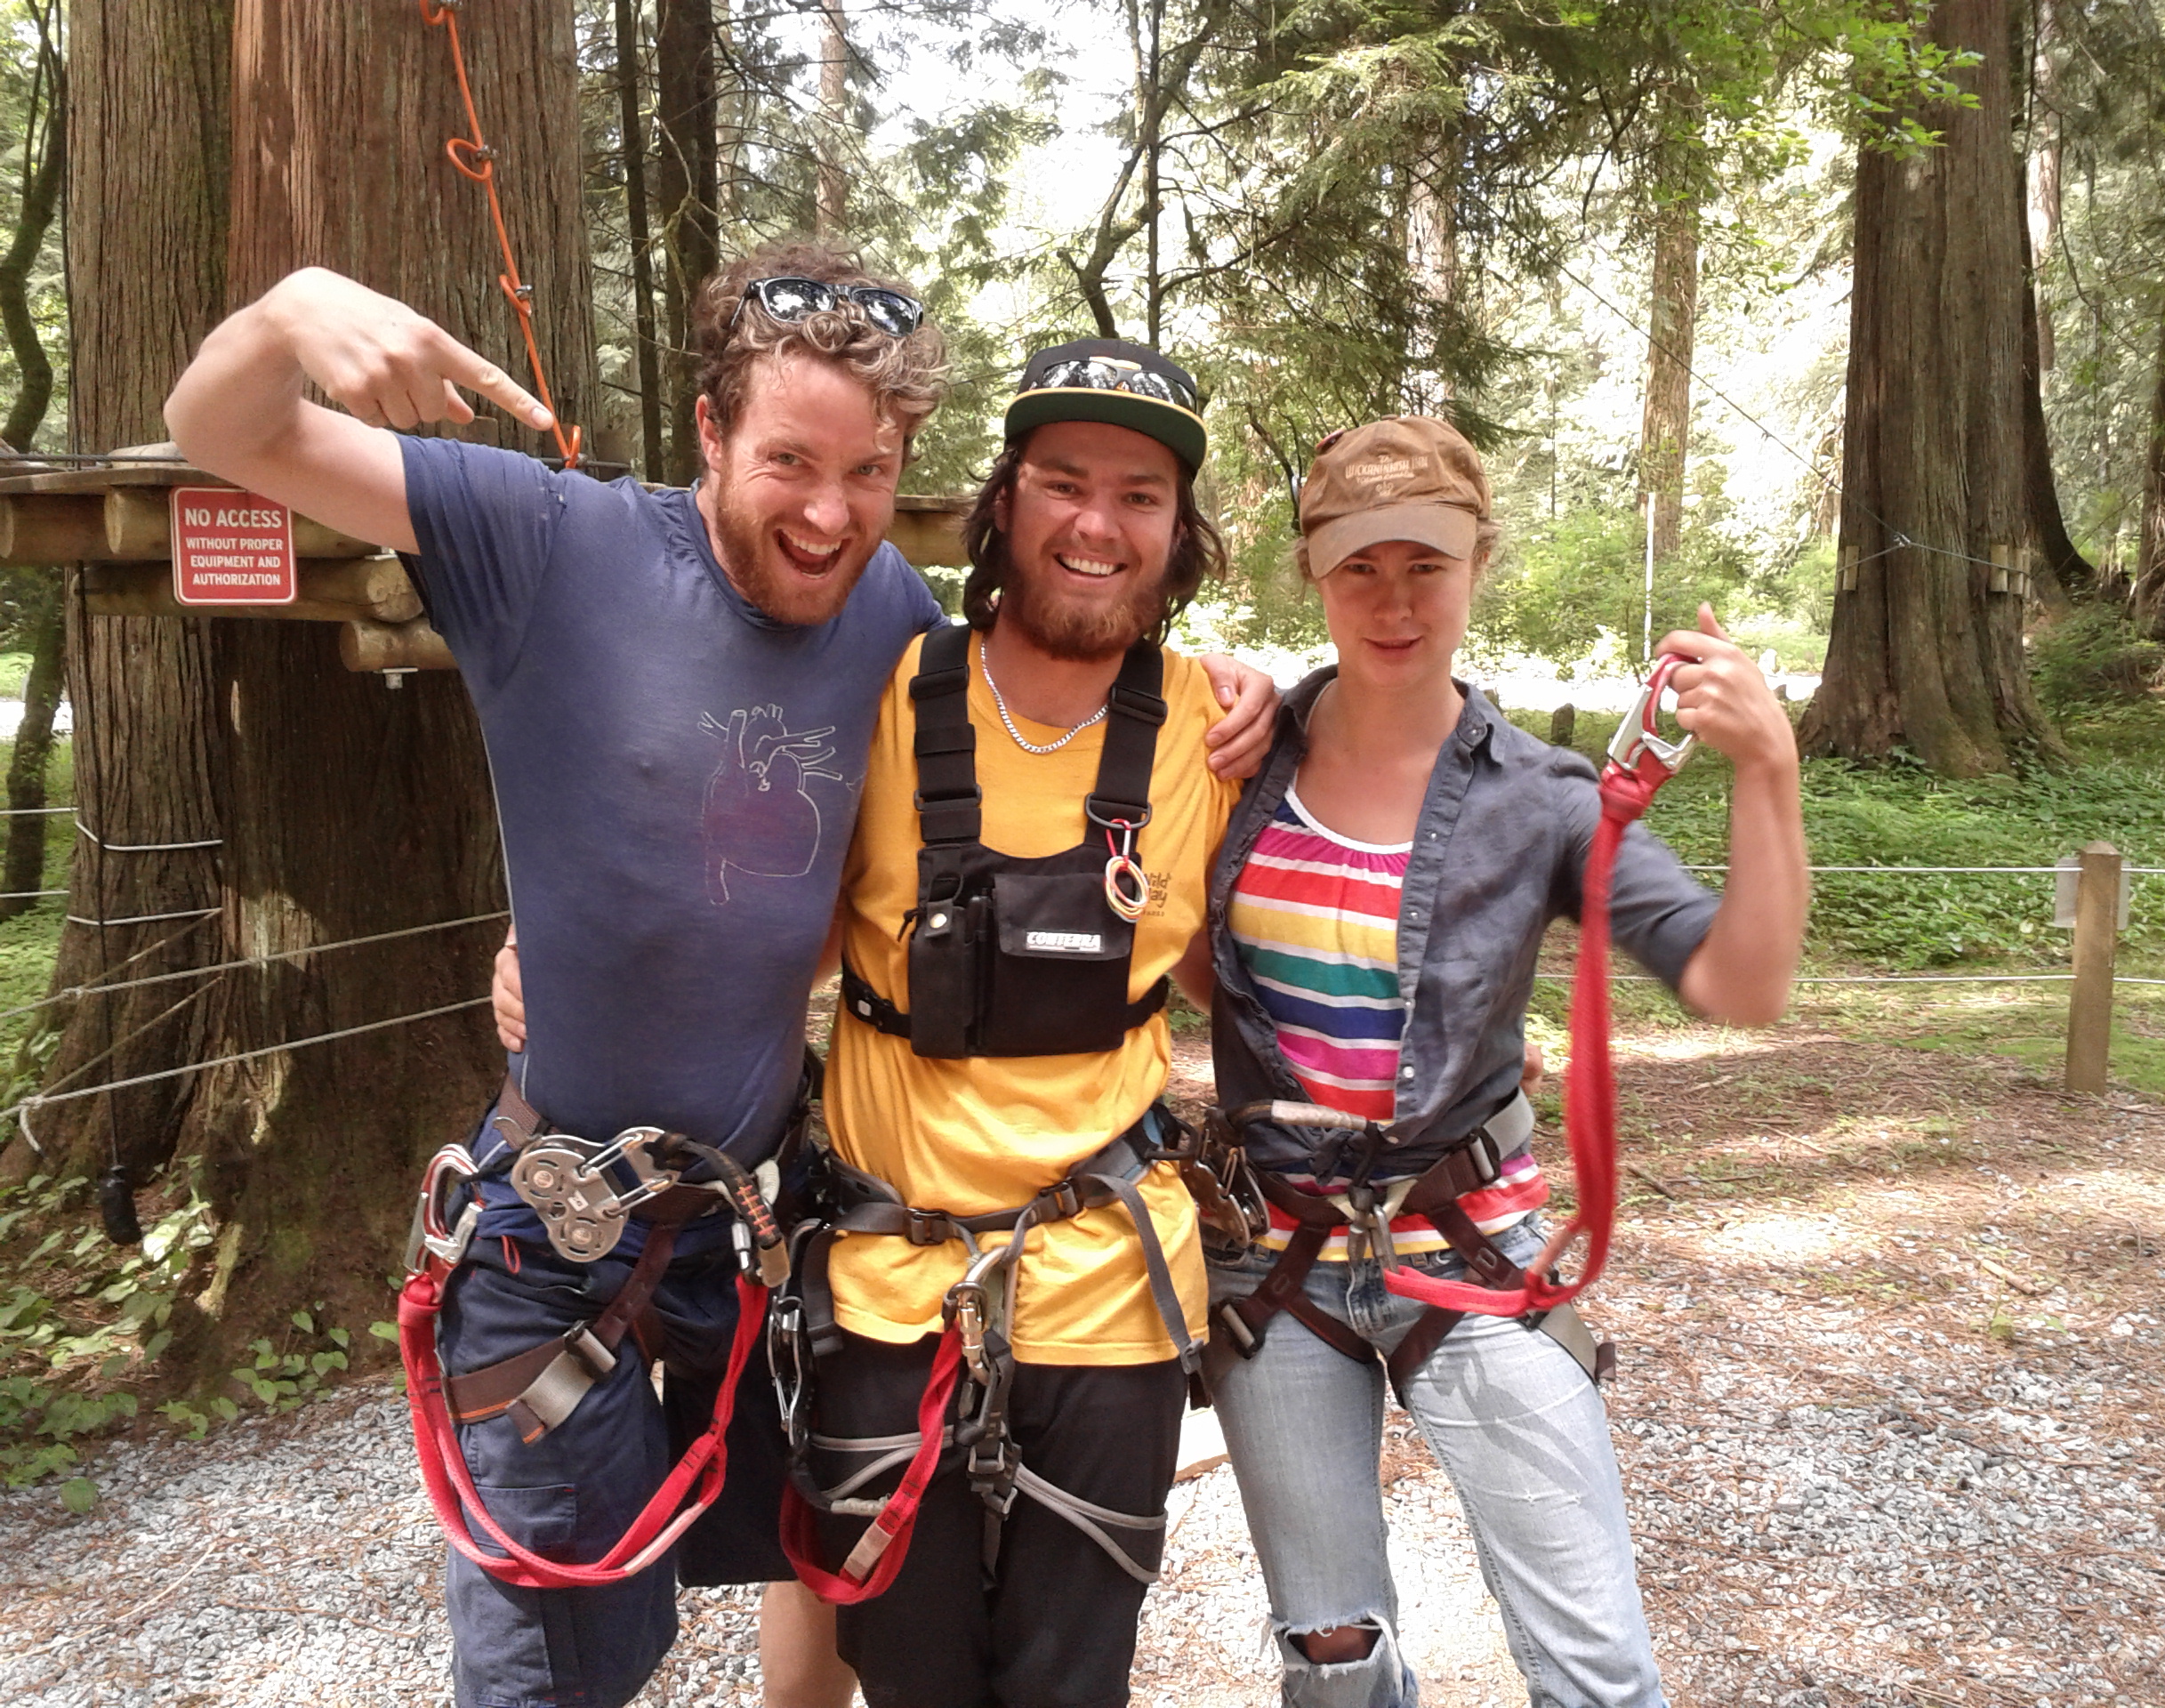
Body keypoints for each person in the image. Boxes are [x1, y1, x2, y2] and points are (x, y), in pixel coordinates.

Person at [164, 251, 1274, 1708]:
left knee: (801, 1575)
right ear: (709, 429)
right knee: (550, 1661)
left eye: (868, 472)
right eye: (790, 462)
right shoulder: (545, 536)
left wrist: (1238, 689)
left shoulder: (890, 617)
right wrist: (287, 313)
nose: (828, 513)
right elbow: (222, 431)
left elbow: (911, 837)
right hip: (560, 1222)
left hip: (758, 1225)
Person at [1199, 416, 1807, 1708]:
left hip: (1472, 1257)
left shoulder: (1544, 800)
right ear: (1313, 571)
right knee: (1333, 1654)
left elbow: (1739, 982)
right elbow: (1203, 966)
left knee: (1594, 1666)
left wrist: (1768, 769)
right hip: (1279, 1264)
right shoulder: (1233, 764)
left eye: (1428, 565)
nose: (1395, 602)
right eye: (1362, 567)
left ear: (1479, 564)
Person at [790, 337, 1243, 1708]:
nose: (1097, 523)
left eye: (1140, 494)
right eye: (1063, 481)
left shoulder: (1217, 730)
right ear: (1004, 500)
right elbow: (747, 924)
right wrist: (554, 964)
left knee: (1072, 1682)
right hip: (885, 1283)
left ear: (1178, 530)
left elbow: (1267, 962)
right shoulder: (877, 695)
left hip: (1113, 1291)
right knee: (911, 1675)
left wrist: (1458, 1040)